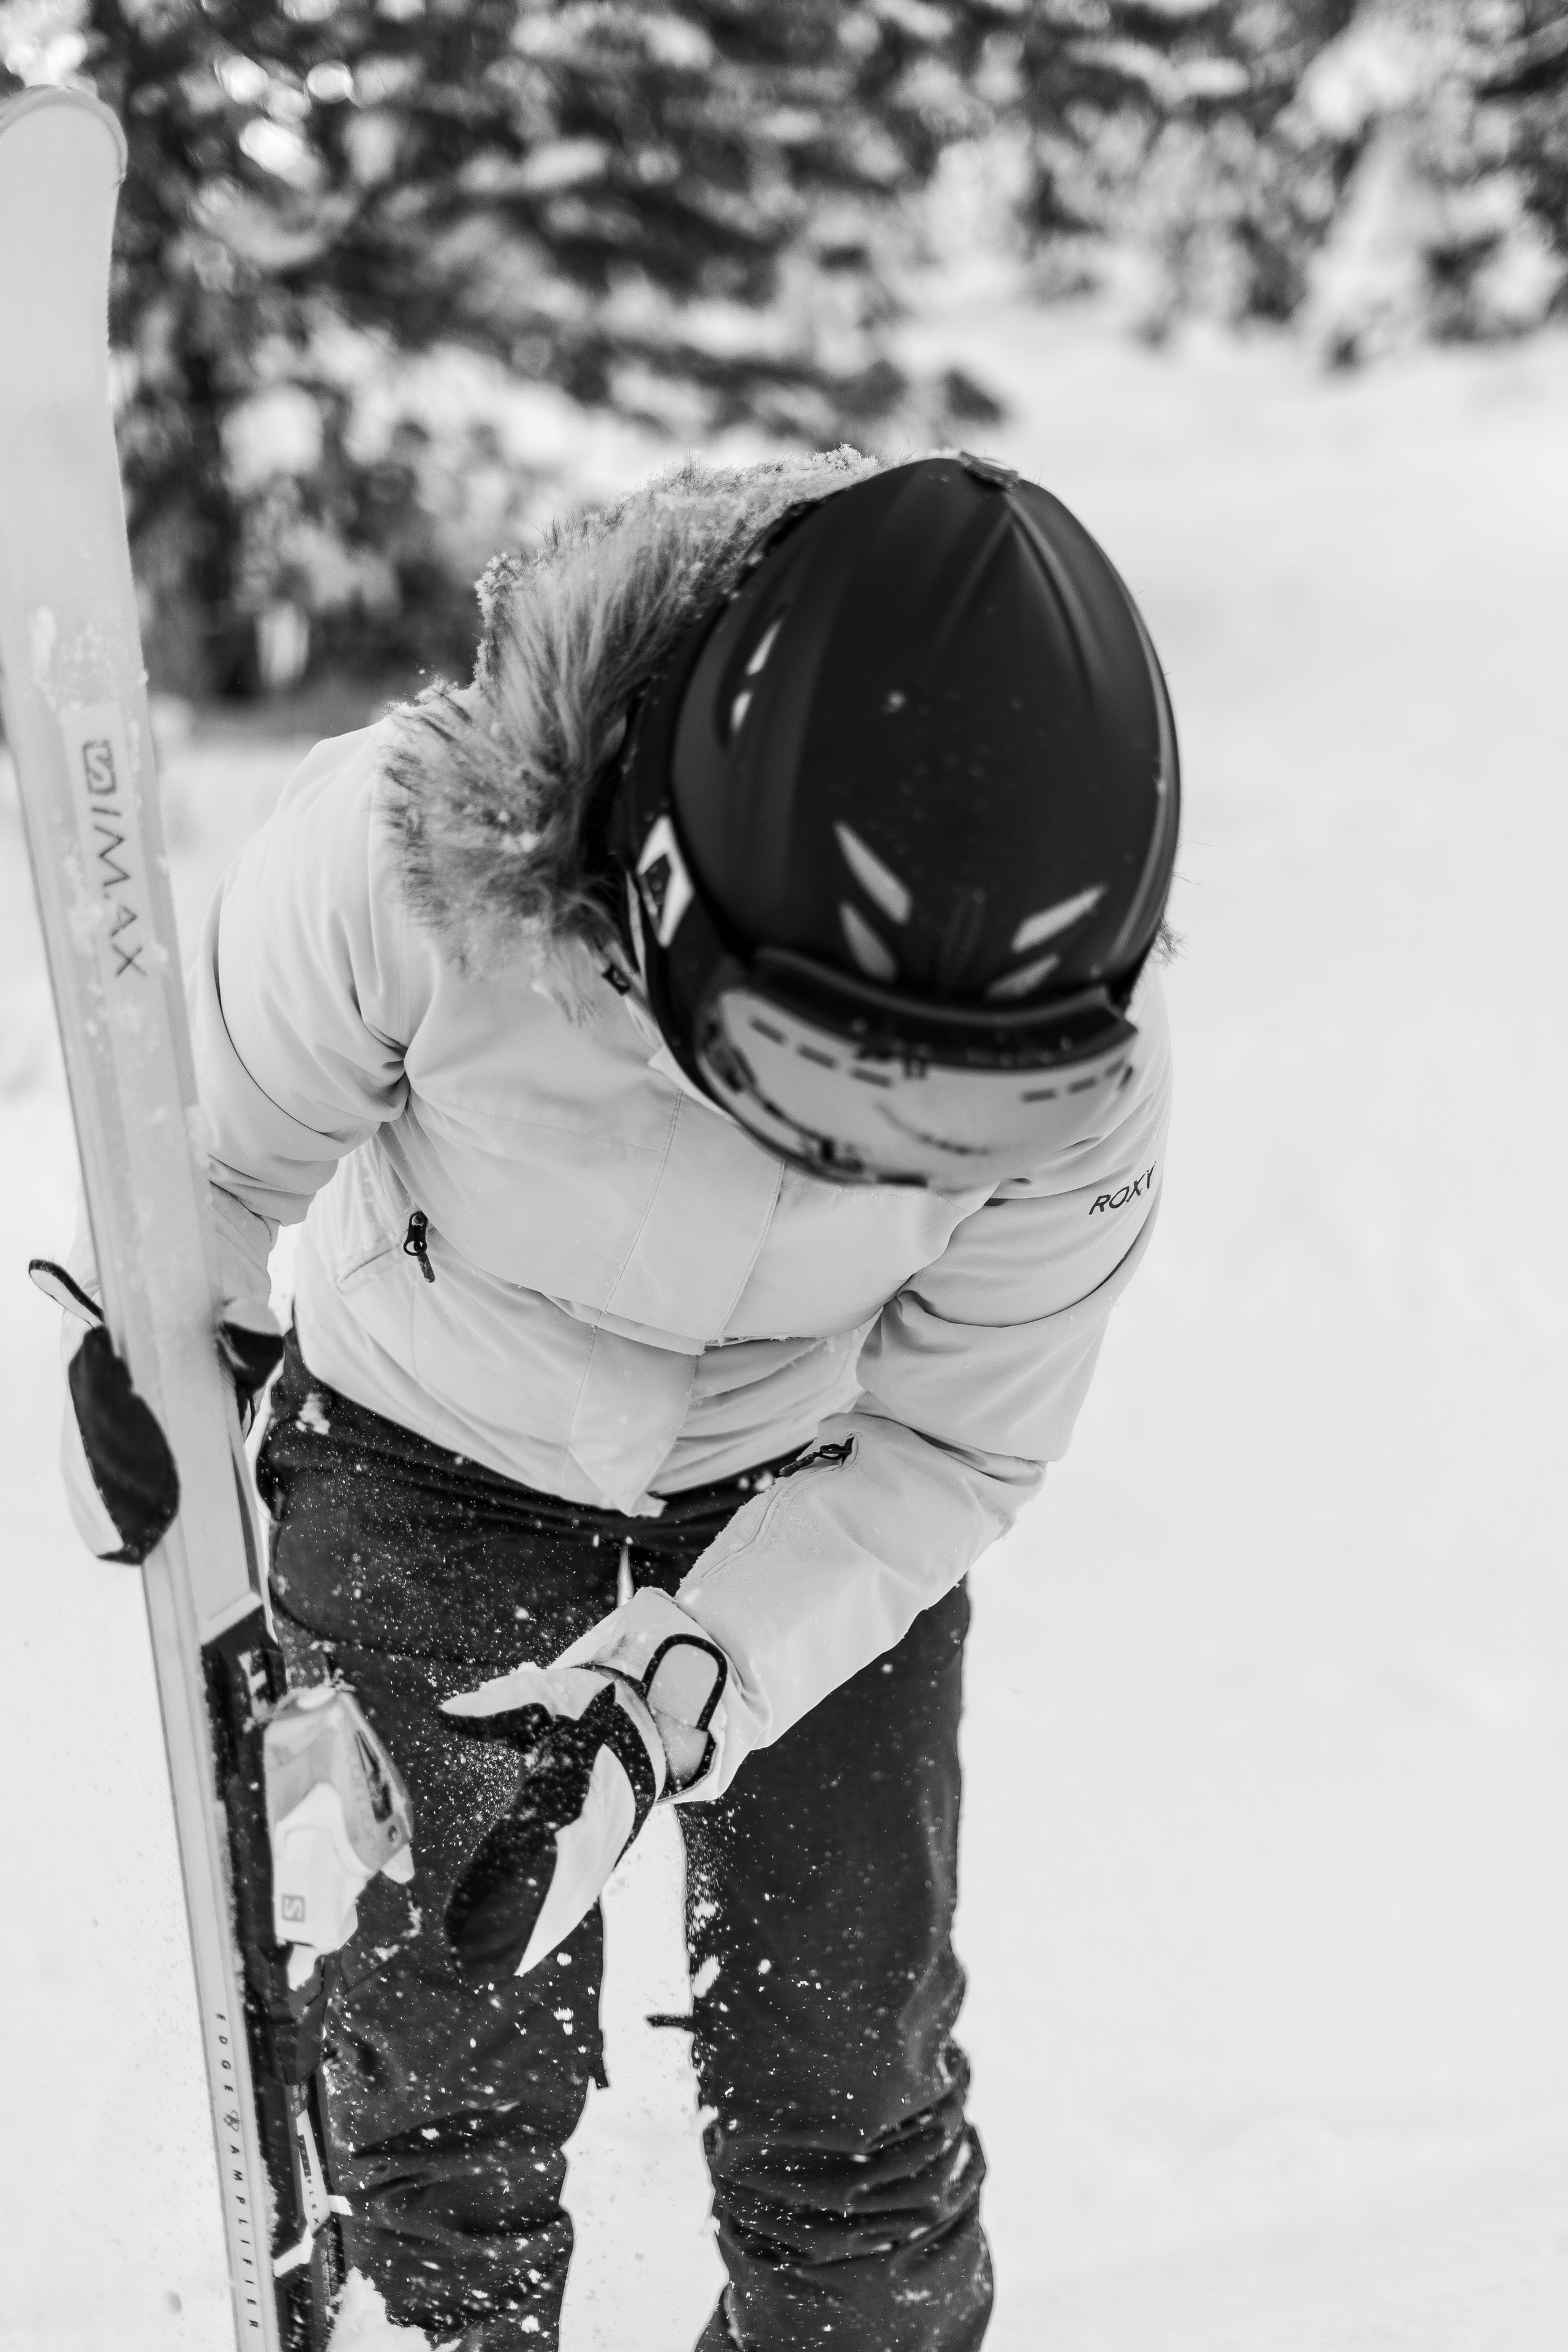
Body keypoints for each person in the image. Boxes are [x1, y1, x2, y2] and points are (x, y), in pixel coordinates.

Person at [51, 448, 1177, 2351]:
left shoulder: (1078, 1075)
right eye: (812, 1080)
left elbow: (945, 1445)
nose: (854, 1166)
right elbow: (195, 1182)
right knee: (441, 2070)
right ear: (663, 887)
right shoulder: (415, 864)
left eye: (931, 1131)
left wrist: (662, 1709)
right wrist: (142, 1355)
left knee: (849, 2112)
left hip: (813, 1500)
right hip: (431, 1455)